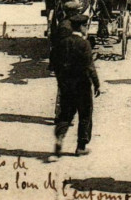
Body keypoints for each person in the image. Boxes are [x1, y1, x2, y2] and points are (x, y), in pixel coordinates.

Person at [53, 14, 101, 157]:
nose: (87, 28)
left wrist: (60, 80)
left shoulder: (63, 42)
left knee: (65, 114)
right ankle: (81, 146)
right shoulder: (84, 44)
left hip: (66, 84)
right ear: (81, 27)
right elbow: (90, 67)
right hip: (82, 85)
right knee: (85, 114)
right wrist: (97, 84)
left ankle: (60, 139)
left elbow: (54, 63)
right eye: (86, 26)